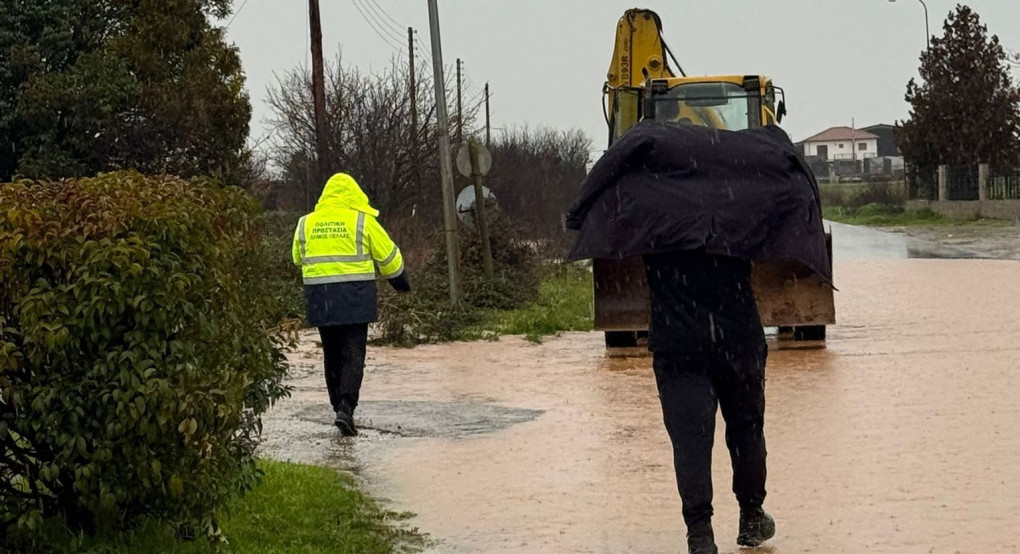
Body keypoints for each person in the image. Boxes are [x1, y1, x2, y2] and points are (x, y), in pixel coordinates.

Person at [642, 250, 775, 554]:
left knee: (690, 441)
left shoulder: (651, 215)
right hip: (738, 341)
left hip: (678, 347)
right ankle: (752, 514)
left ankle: (700, 534)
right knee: (746, 430)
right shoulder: (737, 212)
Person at [292, 173, 410, 436]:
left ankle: (338, 409)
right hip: (355, 297)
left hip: (320, 298)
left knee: (331, 354)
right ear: (354, 195)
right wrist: (400, 281)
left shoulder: (305, 223)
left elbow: (297, 257)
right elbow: (389, 255)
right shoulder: (362, 221)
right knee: (353, 354)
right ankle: (346, 407)